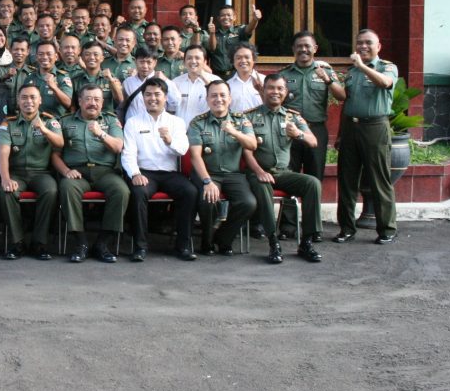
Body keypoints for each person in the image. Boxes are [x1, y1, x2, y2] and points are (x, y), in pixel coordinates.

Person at [242, 75, 323, 264]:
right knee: (263, 186)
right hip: (257, 172)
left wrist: (299, 133)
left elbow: (313, 141)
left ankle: (307, 241)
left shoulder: (292, 117)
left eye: (280, 89)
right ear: (262, 91)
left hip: (283, 172)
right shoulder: (249, 117)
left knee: (312, 183)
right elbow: (247, 152)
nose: (275, 92)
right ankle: (273, 242)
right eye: (271, 88)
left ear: (285, 92)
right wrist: (260, 172)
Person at [120, 77, 198, 262]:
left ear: (165, 97)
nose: (152, 98)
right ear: (143, 97)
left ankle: (183, 246)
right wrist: (135, 173)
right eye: (148, 94)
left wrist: (169, 141)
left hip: (169, 173)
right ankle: (140, 246)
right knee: (138, 193)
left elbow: (183, 149)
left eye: (157, 94)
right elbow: (128, 153)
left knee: (190, 192)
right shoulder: (133, 122)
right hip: (145, 172)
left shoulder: (176, 122)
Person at [334, 29, 399, 245]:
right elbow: (347, 102)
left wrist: (362, 66)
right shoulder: (352, 73)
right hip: (351, 128)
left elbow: (385, 83)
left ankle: (387, 229)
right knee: (346, 180)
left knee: (378, 180)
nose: (363, 47)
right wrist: (341, 134)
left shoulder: (387, 67)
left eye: (368, 43)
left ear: (378, 46)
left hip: (375, 128)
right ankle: (346, 228)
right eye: (359, 43)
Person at [52, 84, 128, 263]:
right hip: (77, 172)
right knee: (67, 188)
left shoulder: (110, 121)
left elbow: (118, 147)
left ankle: (103, 243)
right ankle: (81, 243)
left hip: (105, 172)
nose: (92, 103)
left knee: (121, 191)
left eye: (96, 99)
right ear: (79, 101)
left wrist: (101, 134)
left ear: (102, 102)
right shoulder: (65, 121)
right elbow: (54, 155)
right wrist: (66, 171)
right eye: (87, 99)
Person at [280, 30, 341, 241]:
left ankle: (312, 227)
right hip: (290, 131)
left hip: (316, 129)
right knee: (289, 176)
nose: (303, 50)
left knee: (315, 178)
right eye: (299, 46)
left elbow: (341, 96)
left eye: (308, 46)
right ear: (293, 50)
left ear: (315, 49)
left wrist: (328, 80)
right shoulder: (285, 75)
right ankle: (287, 226)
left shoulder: (325, 70)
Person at [187, 80, 258, 256]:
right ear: (207, 99)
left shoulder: (241, 120)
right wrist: (207, 181)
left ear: (230, 98)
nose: (218, 99)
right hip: (208, 173)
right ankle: (207, 241)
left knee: (248, 203)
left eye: (222, 95)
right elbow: (195, 156)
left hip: (234, 174)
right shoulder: (198, 123)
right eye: (214, 95)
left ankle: (223, 238)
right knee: (208, 199)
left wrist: (234, 132)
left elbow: (252, 145)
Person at [0, 83, 63, 261]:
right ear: (18, 101)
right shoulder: (8, 123)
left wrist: (44, 129)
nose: (29, 101)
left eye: (33, 97)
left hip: (41, 173)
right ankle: (17, 242)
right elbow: (3, 152)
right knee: (6, 192)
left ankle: (39, 243)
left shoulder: (50, 120)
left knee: (51, 191)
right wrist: (5, 178)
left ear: (40, 100)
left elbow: (60, 143)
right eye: (24, 97)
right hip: (16, 173)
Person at [167, 45, 220, 125]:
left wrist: (204, 78)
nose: (193, 61)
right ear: (184, 62)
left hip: (206, 132)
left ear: (205, 62)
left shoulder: (216, 81)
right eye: (189, 58)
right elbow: (171, 110)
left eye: (197, 58)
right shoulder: (176, 82)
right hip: (181, 131)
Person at [206, 4, 262, 79]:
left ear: (234, 17)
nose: (226, 17)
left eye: (229, 15)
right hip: (217, 76)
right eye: (223, 15)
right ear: (218, 18)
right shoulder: (213, 34)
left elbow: (249, 28)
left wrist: (255, 19)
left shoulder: (239, 31)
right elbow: (212, 48)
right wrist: (212, 33)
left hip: (235, 75)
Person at [71, 41, 122, 112]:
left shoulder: (111, 77)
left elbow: (120, 101)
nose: (92, 57)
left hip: (105, 120)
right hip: (84, 119)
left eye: (96, 54)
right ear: (82, 58)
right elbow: (73, 106)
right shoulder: (76, 79)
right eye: (87, 54)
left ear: (102, 58)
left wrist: (111, 81)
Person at [29, 40, 73, 115]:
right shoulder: (30, 77)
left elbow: (69, 104)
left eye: (49, 54)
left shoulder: (62, 77)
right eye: (41, 54)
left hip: (56, 122)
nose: (45, 57)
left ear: (56, 57)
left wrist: (54, 88)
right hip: (34, 121)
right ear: (36, 57)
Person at [120, 47, 160, 122]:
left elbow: (175, 102)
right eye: (141, 62)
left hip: (154, 125)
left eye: (149, 62)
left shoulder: (161, 82)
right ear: (135, 61)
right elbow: (122, 104)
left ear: (155, 62)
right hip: (132, 126)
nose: (145, 66)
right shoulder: (128, 82)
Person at [228, 43, 265, 113]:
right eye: (238, 58)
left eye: (247, 57)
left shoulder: (264, 81)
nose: (243, 61)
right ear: (233, 61)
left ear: (254, 60)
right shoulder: (227, 85)